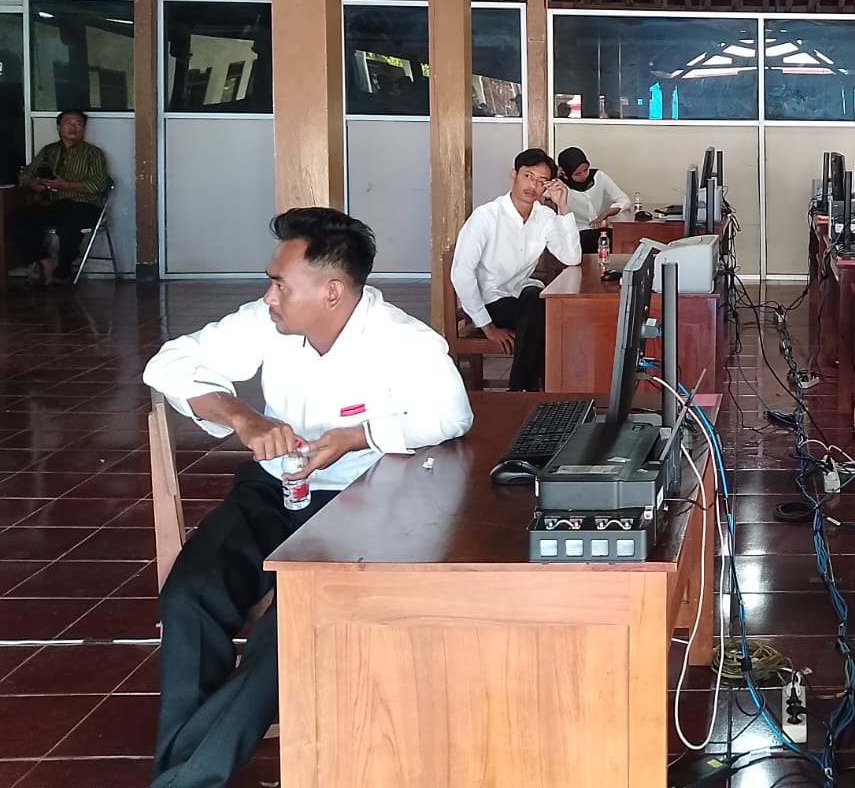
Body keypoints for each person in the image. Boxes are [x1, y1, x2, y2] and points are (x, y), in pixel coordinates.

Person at [144, 208, 474, 788]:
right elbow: (169, 363)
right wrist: (244, 418)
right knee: (190, 596)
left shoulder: (403, 340)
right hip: (273, 488)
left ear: (332, 292)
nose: (268, 296)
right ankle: (186, 774)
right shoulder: (265, 323)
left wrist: (357, 436)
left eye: (280, 285)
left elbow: (451, 414)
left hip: (360, 500)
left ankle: (184, 780)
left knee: (291, 631)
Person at [450, 148, 581, 392]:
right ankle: (533, 390)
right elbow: (461, 273)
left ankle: (529, 390)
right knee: (542, 316)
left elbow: (571, 258)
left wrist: (563, 206)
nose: (533, 186)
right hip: (490, 298)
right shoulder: (486, 217)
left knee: (540, 303)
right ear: (514, 175)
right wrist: (487, 327)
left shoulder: (544, 216)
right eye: (528, 176)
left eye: (541, 181)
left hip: (522, 295)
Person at [12, 108, 110, 286]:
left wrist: (65, 185)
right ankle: (44, 259)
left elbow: (99, 184)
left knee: (70, 227)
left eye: (78, 124)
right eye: (68, 123)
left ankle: (61, 272)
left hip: (85, 205)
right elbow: (26, 174)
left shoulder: (93, 153)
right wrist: (33, 184)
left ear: (84, 129)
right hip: (55, 204)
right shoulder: (49, 151)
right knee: (19, 219)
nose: (73, 127)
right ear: (59, 127)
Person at [558, 146, 633, 255]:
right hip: (577, 234)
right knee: (592, 242)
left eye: (586, 170)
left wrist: (606, 213)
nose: (583, 176)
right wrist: (555, 175)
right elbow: (540, 192)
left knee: (622, 239)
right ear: (565, 173)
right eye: (577, 174)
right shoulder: (559, 185)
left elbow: (624, 200)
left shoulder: (598, 176)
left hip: (600, 231)